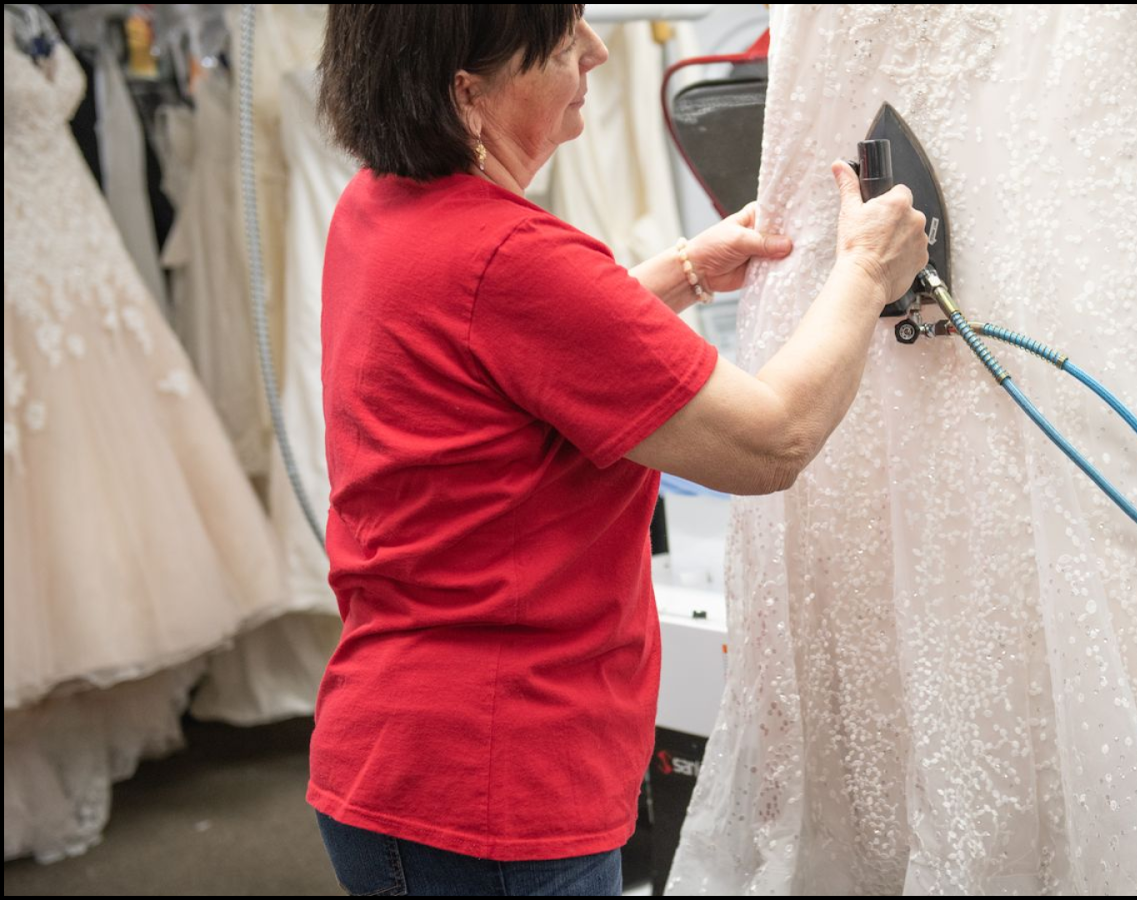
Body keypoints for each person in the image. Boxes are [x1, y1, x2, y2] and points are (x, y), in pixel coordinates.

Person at [306, 5, 927, 895]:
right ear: (468, 94)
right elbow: (773, 440)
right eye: (565, 44)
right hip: (490, 789)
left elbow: (509, 351)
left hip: (402, 754)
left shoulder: (379, 205)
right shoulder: (512, 257)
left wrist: (684, 273)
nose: (598, 51)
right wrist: (866, 273)